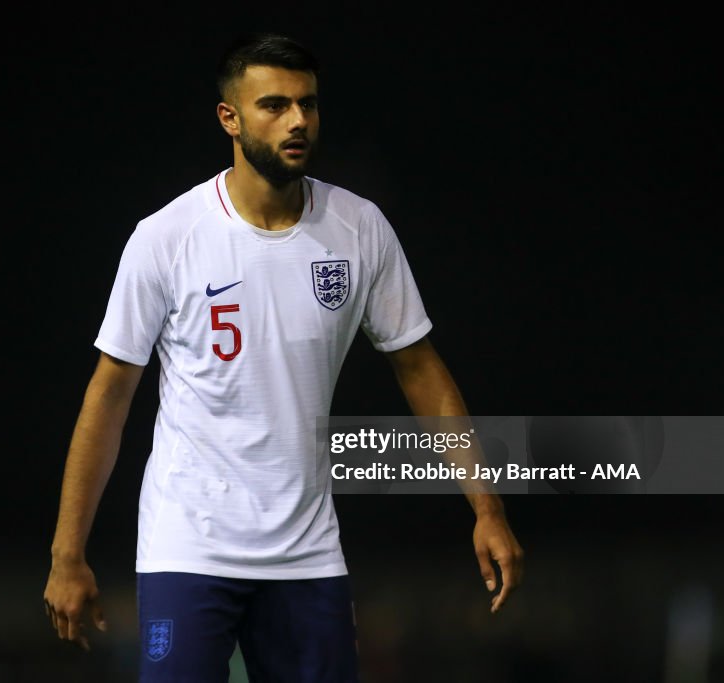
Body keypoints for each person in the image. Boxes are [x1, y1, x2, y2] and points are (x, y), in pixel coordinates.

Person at [44, 32, 524, 682]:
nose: (298, 120)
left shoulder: (358, 229)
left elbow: (420, 368)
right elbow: (109, 395)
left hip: (306, 553)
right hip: (190, 543)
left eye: (308, 104)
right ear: (230, 118)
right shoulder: (167, 238)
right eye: (274, 105)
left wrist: (486, 508)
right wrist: (67, 552)